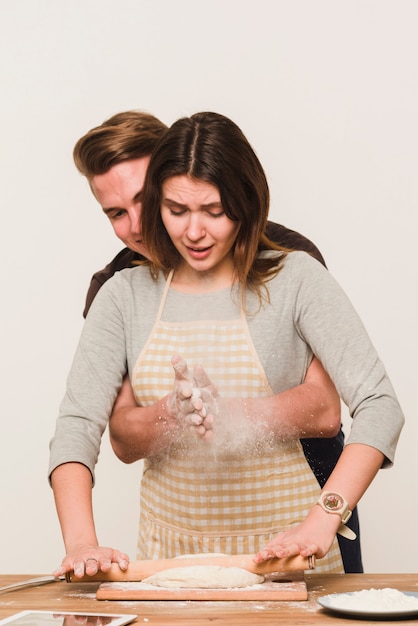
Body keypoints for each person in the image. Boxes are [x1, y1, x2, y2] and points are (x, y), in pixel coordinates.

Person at [49, 111, 403, 576]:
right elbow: (80, 424)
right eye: (176, 211)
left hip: (291, 556)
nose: (193, 232)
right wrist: (80, 544)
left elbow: (376, 405)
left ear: (244, 202)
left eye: (214, 212)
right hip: (170, 558)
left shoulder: (296, 276)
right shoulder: (121, 293)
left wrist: (323, 518)